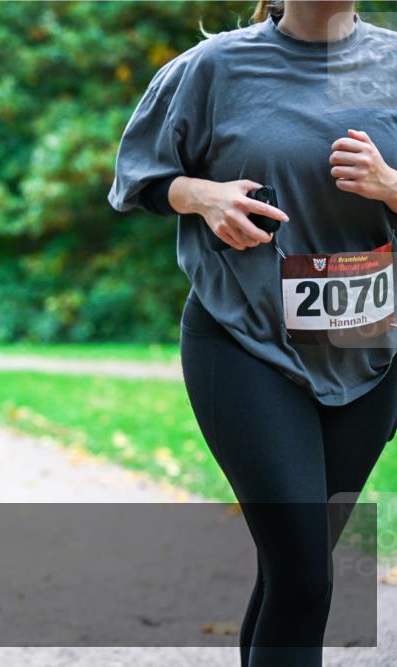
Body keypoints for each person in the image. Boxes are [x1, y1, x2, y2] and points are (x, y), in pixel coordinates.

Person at [109, 2, 397, 665]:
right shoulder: (216, 67)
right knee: (304, 577)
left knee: (291, 572)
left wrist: (387, 185)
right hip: (243, 342)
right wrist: (202, 196)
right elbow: (138, 177)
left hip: (366, 350)